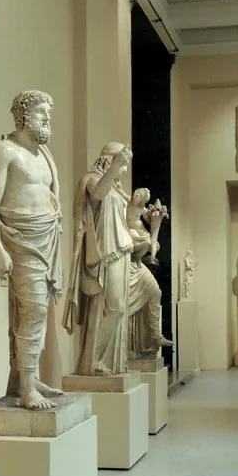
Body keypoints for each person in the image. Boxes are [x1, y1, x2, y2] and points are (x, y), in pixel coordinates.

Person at [0, 91, 65, 410]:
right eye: (41, 112)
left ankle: (25, 378)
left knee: (35, 311)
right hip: (21, 238)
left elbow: (53, 198)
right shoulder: (3, 151)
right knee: (34, 310)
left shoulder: (45, 156)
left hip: (47, 238)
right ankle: (28, 387)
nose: (47, 119)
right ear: (24, 114)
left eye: (49, 113)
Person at [63, 143, 134, 376]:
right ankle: (92, 361)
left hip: (121, 249)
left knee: (120, 310)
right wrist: (115, 167)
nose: (124, 170)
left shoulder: (116, 188)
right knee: (112, 306)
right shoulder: (93, 179)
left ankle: (109, 361)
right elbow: (97, 193)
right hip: (104, 252)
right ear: (109, 159)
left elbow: (128, 218)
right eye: (121, 164)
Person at [125, 188, 172, 357]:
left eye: (147, 200)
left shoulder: (142, 209)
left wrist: (157, 216)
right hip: (127, 264)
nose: (144, 202)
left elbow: (151, 219)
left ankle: (155, 336)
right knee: (128, 310)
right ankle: (130, 347)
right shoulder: (124, 203)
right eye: (143, 198)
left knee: (156, 292)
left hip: (137, 264)